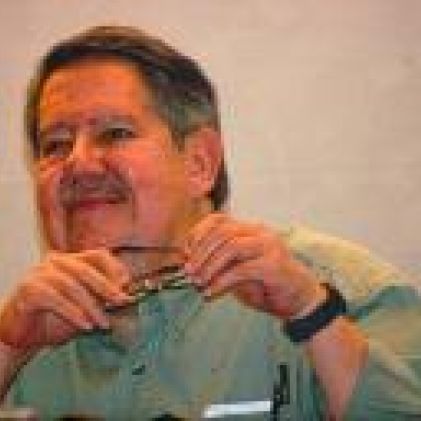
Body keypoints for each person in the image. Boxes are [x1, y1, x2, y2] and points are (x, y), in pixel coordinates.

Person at [0, 25, 420, 420]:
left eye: (115, 133)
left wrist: (314, 317)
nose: (78, 163)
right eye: (55, 145)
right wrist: (9, 348)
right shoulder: (24, 333)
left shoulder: (338, 290)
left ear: (200, 163)